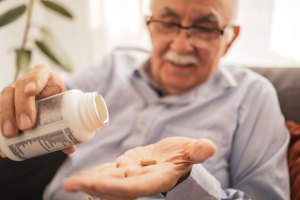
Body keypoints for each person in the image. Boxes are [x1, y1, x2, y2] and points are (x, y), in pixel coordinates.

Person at [0, 0, 290, 199]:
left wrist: (183, 180)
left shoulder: (253, 96)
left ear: (231, 37)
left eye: (204, 28)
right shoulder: (113, 66)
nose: (180, 45)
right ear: (149, 24)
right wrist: (29, 101)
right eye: (167, 22)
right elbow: (53, 103)